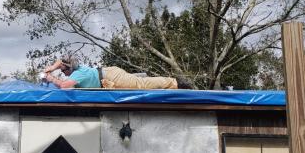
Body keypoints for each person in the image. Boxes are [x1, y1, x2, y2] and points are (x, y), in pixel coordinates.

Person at [42, 54, 193, 89]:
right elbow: (60, 61)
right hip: (108, 75)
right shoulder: (75, 68)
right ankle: (135, 76)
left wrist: (51, 79)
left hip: (111, 77)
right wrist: (51, 68)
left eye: (63, 70)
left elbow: (64, 86)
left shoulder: (77, 74)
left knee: (141, 84)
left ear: (69, 68)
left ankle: (175, 83)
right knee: (136, 81)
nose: (62, 73)